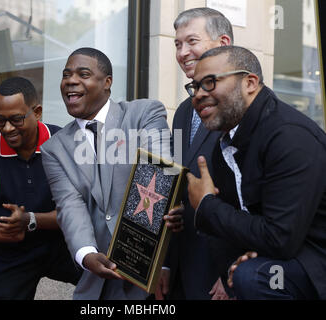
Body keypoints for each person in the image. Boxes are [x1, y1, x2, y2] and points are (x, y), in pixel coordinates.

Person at [41, 47, 182, 300]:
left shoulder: (144, 114)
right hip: (96, 284)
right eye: (66, 75)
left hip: (152, 281)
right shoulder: (54, 149)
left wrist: (144, 259)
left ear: (107, 82)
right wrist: (86, 254)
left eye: (83, 74)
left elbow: (159, 177)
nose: (71, 80)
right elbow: (69, 205)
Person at [186, 45, 326, 299]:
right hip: (285, 254)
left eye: (209, 83)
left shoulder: (289, 136)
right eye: (194, 87)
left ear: (250, 83)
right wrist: (234, 261)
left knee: (254, 276)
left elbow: (278, 238)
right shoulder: (227, 142)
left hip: (315, 263)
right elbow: (236, 225)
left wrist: (206, 205)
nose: (197, 95)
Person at [0, 77, 81, 300]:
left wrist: (30, 219)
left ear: (37, 112)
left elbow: (80, 212)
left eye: (16, 119)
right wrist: (9, 232)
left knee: (107, 279)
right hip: (9, 251)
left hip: (63, 242)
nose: (7, 128)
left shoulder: (65, 143)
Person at [156, 7, 233, 300]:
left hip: (221, 272)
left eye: (191, 41)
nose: (182, 52)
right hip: (182, 267)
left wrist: (231, 274)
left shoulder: (247, 109)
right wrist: (164, 263)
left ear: (223, 44)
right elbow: (178, 186)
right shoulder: (184, 112)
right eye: (177, 44)